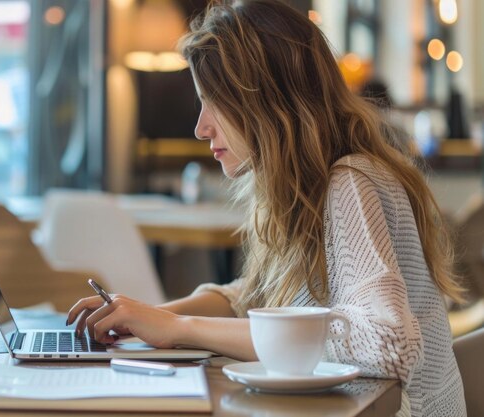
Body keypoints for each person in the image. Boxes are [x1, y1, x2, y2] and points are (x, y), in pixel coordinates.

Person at [66, 1, 466, 416]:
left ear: (267, 100)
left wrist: (178, 328)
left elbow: (386, 344)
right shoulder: (307, 184)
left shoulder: (351, 179)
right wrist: (145, 316)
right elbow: (257, 296)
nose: (201, 127)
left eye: (213, 102)